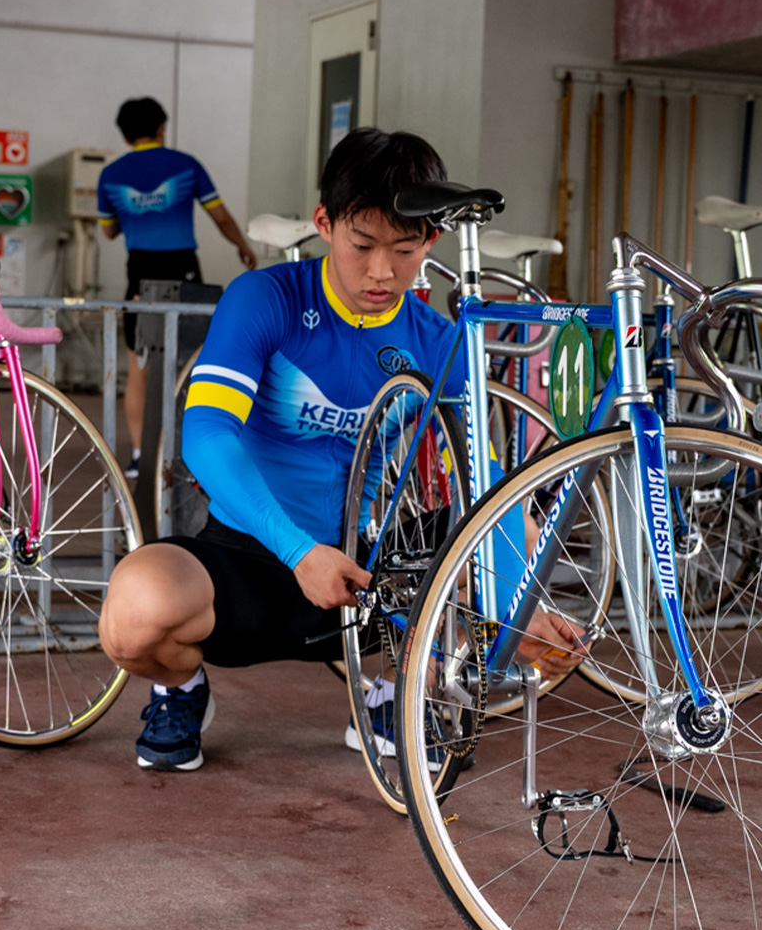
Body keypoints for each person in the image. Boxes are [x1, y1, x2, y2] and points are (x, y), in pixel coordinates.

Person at [96, 129, 582, 772]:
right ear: (325, 223)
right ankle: (181, 691)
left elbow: (487, 483)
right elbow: (206, 436)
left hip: (366, 572)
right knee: (133, 611)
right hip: (250, 556)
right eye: (363, 245)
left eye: (404, 250)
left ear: (431, 240)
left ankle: (393, 697)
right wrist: (299, 552)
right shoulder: (266, 299)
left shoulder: (437, 341)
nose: (383, 272)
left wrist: (511, 611)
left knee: (501, 518)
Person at [97, 97, 256, 478]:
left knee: (139, 366)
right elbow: (220, 216)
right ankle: (193, 452)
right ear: (161, 128)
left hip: (140, 271)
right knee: (195, 361)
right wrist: (241, 246)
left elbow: (108, 229)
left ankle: (139, 455)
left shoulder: (112, 174)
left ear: (124, 133)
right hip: (184, 268)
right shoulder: (186, 164)